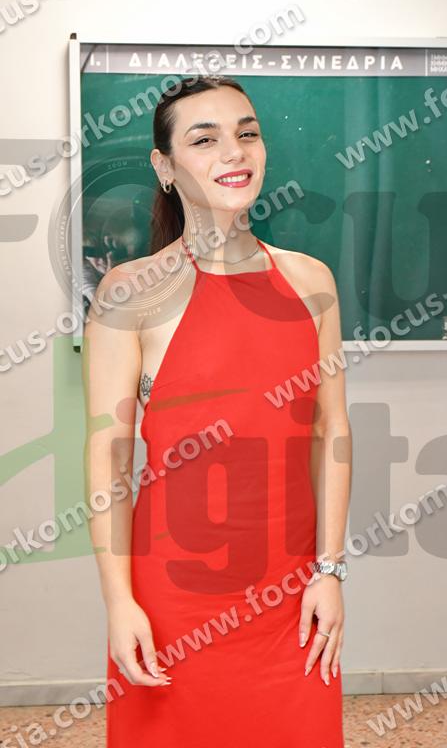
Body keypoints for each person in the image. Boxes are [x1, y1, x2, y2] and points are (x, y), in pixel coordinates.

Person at [83, 74, 352, 747]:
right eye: (205, 140)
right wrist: (119, 601)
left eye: (247, 134)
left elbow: (332, 432)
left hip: (291, 597)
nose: (235, 152)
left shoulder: (311, 281)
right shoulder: (129, 293)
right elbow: (109, 455)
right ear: (165, 166)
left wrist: (330, 571)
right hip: (173, 600)